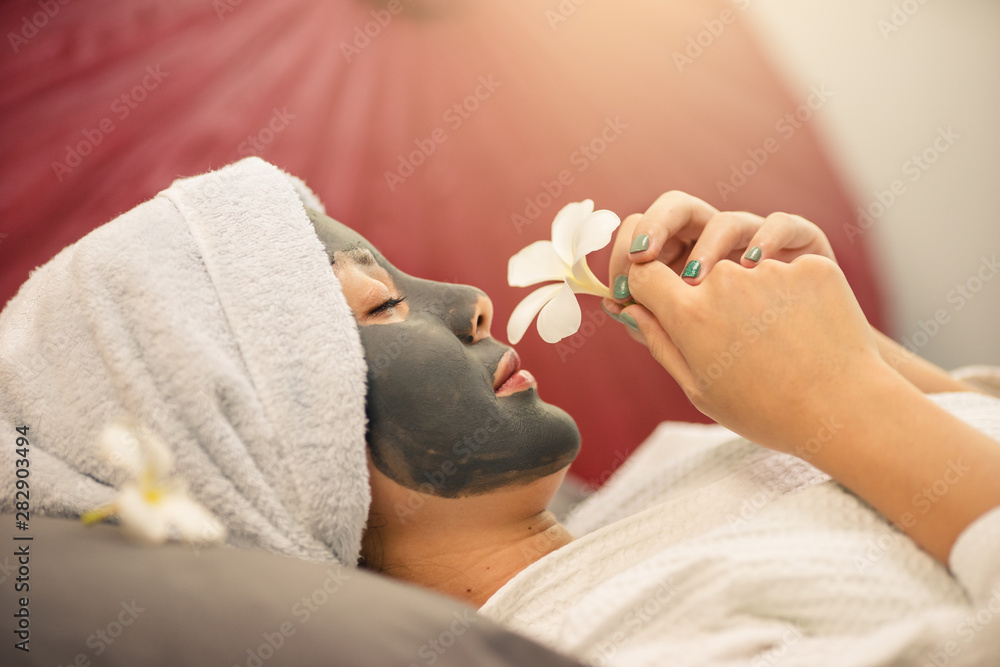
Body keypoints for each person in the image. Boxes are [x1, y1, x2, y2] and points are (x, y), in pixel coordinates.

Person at [2, 159, 998, 666]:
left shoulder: (669, 474)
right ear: (279, 461)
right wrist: (842, 405)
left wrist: (862, 357)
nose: (469, 298)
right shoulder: (614, 637)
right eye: (379, 306)